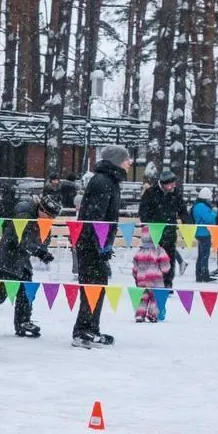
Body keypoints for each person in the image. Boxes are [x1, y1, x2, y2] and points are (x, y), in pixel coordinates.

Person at [0, 195, 57, 337]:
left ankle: (23, 322)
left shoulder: (42, 221)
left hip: (22, 261)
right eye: (49, 216)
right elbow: (22, 239)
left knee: (26, 291)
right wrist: (39, 252)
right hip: (8, 258)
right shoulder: (24, 216)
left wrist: (43, 250)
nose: (50, 220)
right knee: (0, 293)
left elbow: (43, 240)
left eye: (52, 218)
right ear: (41, 210)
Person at [72, 145, 129, 348]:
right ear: (116, 161)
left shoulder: (110, 181)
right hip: (90, 245)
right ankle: (82, 331)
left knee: (98, 286)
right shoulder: (103, 182)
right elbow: (95, 218)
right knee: (92, 287)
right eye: (126, 159)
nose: (129, 163)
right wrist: (101, 245)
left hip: (95, 244)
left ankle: (91, 328)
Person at [132, 232, 170, 322]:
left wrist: (136, 276)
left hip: (141, 278)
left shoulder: (139, 252)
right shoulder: (159, 250)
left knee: (142, 298)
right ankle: (152, 314)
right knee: (156, 297)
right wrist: (165, 271)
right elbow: (165, 266)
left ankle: (140, 315)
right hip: (155, 279)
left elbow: (135, 267)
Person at [191, 188, 218, 282]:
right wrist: (214, 212)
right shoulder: (201, 206)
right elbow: (208, 219)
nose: (209, 200)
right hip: (204, 232)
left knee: (201, 255)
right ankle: (204, 275)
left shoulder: (198, 205)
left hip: (200, 232)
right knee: (204, 255)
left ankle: (199, 275)